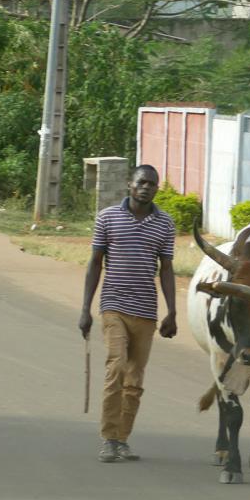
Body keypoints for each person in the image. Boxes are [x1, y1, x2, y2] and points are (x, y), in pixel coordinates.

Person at [78, 165, 178, 463]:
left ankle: (122, 439)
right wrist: (85, 308)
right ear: (129, 184)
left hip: (146, 311)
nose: (147, 188)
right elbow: (95, 263)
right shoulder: (108, 217)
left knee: (134, 379)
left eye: (152, 184)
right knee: (116, 367)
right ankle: (108, 437)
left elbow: (168, 269)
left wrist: (172, 312)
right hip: (113, 307)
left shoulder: (165, 224)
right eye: (141, 182)